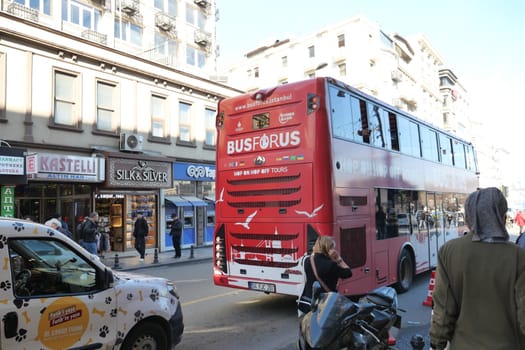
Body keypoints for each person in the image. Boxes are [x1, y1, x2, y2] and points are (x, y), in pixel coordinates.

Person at [429, 187, 525, 350]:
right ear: (502, 218)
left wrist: (437, 343)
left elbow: (443, 310)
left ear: (469, 218)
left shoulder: (449, 252)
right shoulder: (518, 256)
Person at [297, 236, 352, 317]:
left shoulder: (306, 261)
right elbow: (348, 273)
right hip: (324, 306)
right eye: (333, 247)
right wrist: (339, 259)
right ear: (329, 248)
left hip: (306, 303)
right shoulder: (330, 265)